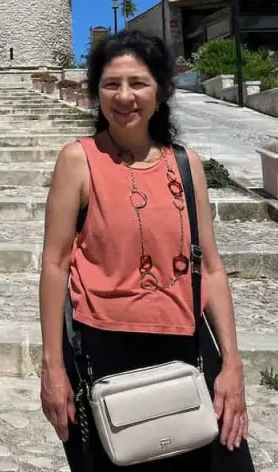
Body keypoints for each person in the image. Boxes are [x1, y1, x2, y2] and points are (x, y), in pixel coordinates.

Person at [38, 30, 254, 471]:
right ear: (96, 92)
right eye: (111, 84)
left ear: (162, 90)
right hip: (104, 352)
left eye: (138, 83)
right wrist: (52, 367)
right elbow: (55, 263)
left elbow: (210, 267)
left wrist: (232, 363)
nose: (124, 96)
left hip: (187, 347)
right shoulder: (78, 160)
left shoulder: (185, 163)